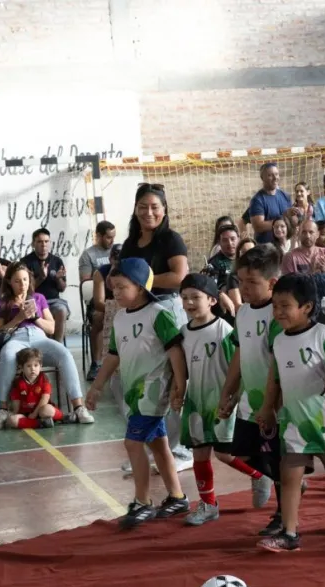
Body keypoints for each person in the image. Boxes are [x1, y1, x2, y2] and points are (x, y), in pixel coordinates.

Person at [256, 274, 325, 552]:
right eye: (275, 306)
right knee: (289, 473)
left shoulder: (324, 336)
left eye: (285, 306)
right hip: (294, 421)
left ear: (307, 307)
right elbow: (275, 378)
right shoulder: (278, 341)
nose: (278, 312)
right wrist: (268, 408)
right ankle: (290, 533)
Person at [84, 258, 190, 529]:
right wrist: (97, 386)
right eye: (114, 288)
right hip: (134, 392)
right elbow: (113, 355)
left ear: (141, 287)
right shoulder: (120, 318)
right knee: (158, 444)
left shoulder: (158, 314)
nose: (116, 293)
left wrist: (180, 384)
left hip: (154, 391)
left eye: (122, 287)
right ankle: (177, 497)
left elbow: (175, 351)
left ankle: (143, 502)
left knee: (133, 443)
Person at [178, 274, 273, 526]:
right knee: (199, 455)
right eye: (184, 298)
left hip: (222, 403)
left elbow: (238, 366)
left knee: (224, 454)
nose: (189, 303)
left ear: (212, 300)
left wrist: (234, 397)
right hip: (196, 403)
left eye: (195, 297)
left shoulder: (225, 330)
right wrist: (177, 392)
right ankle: (208, 505)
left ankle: (260, 475)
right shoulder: (183, 333)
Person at [119, 183, 194, 473]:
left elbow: (179, 276)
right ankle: (155, 449)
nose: (148, 212)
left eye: (155, 207)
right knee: (149, 383)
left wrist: (144, 281)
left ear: (164, 210)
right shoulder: (130, 243)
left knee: (174, 377)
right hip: (141, 314)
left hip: (167, 310)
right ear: (135, 209)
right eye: (143, 207)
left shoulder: (171, 240)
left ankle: (182, 448)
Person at [217, 245, 290, 535]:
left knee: (276, 457)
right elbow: (239, 353)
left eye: (251, 282)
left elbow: (279, 363)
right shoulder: (244, 312)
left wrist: (271, 405)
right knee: (244, 452)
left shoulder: (278, 315)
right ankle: (289, 483)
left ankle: (284, 514)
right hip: (250, 401)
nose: (244, 288)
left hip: (275, 403)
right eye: (240, 281)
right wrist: (228, 391)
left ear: (272, 283)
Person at [0, 262, 94, 428]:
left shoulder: (38, 298)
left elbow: (51, 328)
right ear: (9, 281)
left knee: (64, 354)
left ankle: (78, 407)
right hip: (16, 338)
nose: (22, 284)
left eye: (25, 280)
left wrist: (35, 317)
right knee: (7, 355)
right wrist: (19, 318)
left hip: (38, 337)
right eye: (17, 281)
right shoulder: (2, 303)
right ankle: (2, 409)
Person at [21, 228, 69, 343]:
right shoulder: (25, 262)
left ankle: (58, 345)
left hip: (54, 301)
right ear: (33, 244)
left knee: (62, 310)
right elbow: (26, 290)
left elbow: (62, 288)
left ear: (50, 243)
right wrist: (41, 278)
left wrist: (58, 279)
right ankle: (43, 344)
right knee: (36, 314)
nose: (43, 245)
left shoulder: (57, 261)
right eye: (40, 242)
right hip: (35, 301)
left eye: (46, 241)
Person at [85, 243, 122, 381]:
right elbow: (99, 302)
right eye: (115, 258)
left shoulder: (130, 270)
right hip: (103, 307)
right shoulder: (100, 273)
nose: (117, 261)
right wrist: (115, 309)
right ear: (110, 259)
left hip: (123, 305)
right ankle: (97, 363)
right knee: (99, 319)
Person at [6, 348, 64, 429]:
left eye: (36, 365)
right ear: (21, 367)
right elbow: (16, 404)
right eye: (28, 366)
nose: (33, 369)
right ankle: (39, 423)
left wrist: (34, 414)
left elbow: (45, 398)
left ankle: (63, 417)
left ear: (41, 366)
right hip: (26, 414)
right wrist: (15, 415)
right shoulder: (18, 382)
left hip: (41, 410)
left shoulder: (44, 379)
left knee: (48, 410)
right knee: (12, 420)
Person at [247, 163, 293, 244]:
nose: (275, 178)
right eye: (270, 175)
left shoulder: (285, 196)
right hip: (266, 247)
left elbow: (291, 221)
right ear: (262, 178)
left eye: (276, 174)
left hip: (285, 245)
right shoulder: (257, 200)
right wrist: (283, 218)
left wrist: (297, 215)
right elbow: (258, 227)